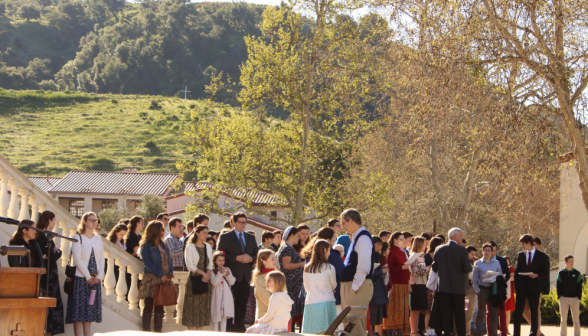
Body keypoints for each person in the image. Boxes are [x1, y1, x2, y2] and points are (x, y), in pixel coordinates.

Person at [217, 212, 259, 332]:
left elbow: (257, 254)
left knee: (242, 304)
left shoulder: (250, 237)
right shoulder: (225, 237)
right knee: (230, 304)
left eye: (245, 222)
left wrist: (251, 259)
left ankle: (239, 329)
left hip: (246, 277)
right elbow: (220, 254)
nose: (243, 225)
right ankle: (229, 329)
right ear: (233, 223)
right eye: (240, 222)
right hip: (231, 276)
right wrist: (236, 258)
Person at [65, 212, 105, 336]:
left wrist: (99, 276)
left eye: (96, 220)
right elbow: (77, 258)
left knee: (89, 308)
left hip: (95, 279)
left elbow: (102, 259)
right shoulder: (78, 237)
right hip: (81, 277)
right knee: (79, 309)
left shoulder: (98, 239)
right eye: (91, 220)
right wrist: (87, 277)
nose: (94, 222)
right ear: (84, 222)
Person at [430, 228, 472, 336]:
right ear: (455, 236)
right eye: (461, 235)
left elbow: (434, 267)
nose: (462, 237)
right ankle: (461, 334)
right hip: (458, 287)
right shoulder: (462, 250)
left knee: (446, 313)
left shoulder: (439, 249)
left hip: (443, 287)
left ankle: (447, 333)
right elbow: (467, 268)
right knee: (459, 314)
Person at [340, 209, 375, 336]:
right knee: (350, 327)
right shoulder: (358, 236)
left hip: (357, 287)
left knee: (354, 328)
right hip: (354, 287)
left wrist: (354, 287)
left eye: (343, 223)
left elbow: (364, 267)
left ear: (351, 221)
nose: (342, 227)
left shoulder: (363, 238)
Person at [137, 221, 174, 332]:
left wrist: (170, 274)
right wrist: (161, 275)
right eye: (162, 229)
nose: (164, 232)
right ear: (156, 231)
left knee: (160, 305)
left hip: (164, 279)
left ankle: (158, 331)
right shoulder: (146, 245)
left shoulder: (163, 244)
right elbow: (147, 263)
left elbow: (170, 260)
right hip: (152, 278)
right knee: (148, 305)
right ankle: (146, 331)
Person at [513, 234, 549, 336]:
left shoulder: (541, 256)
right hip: (522, 288)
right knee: (518, 312)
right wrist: (517, 286)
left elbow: (545, 272)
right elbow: (517, 272)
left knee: (534, 312)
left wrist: (536, 275)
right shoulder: (520, 255)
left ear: (529, 243)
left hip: (535, 288)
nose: (522, 246)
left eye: (523, 244)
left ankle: (534, 333)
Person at [36, 211, 65, 336]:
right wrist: (58, 252)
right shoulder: (43, 236)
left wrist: (54, 253)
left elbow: (51, 255)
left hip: (51, 273)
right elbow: (52, 255)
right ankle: (48, 332)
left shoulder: (46, 235)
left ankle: (50, 331)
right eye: (54, 220)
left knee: (53, 303)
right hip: (48, 275)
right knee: (50, 303)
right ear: (49, 221)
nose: (55, 223)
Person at [301, 239, 337, 334]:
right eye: (329, 250)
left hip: (311, 302)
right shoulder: (330, 267)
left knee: (311, 330)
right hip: (327, 301)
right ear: (324, 250)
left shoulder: (307, 267)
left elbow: (306, 287)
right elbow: (334, 284)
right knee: (328, 330)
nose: (330, 253)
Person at [183, 224, 213, 330]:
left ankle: (199, 332)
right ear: (197, 233)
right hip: (194, 279)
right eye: (204, 233)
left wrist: (207, 274)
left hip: (205, 280)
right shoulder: (190, 246)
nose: (206, 235)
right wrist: (203, 273)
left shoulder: (208, 247)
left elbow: (210, 263)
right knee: (192, 308)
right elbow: (189, 264)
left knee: (202, 309)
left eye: (207, 233)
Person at [276, 226, 305, 331]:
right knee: (291, 310)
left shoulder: (287, 247)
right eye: (297, 236)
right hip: (291, 284)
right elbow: (286, 265)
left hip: (293, 284)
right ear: (291, 235)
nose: (298, 238)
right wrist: (301, 264)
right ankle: (290, 331)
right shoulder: (287, 248)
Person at [472, 243, 503, 336]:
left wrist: (497, 278)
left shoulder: (496, 263)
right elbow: (474, 279)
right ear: (482, 252)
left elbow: (500, 275)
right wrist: (478, 290)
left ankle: (493, 334)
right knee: (480, 314)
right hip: (482, 289)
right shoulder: (477, 263)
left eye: (489, 250)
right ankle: (479, 333)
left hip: (493, 289)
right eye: (485, 250)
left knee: (493, 314)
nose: (487, 252)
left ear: (492, 252)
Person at [385, 231, 410, 335]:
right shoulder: (391, 251)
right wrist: (402, 267)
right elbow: (389, 268)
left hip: (404, 283)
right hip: (395, 284)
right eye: (401, 239)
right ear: (394, 239)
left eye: (404, 239)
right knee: (394, 308)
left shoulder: (401, 251)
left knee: (402, 308)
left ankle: (402, 331)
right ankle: (392, 330)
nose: (403, 241)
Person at [486, 241, 510, 336]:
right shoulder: (484, 260)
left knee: (502, 312)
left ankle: (503, 333)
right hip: (488, 289)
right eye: (492, 250)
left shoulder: (502, 260)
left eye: (495, 250)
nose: (493, 253)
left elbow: (507, 274)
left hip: (500, 289)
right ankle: (490, 333)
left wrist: (503, 279)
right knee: (489, 313)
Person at [557, 255, 583, 336]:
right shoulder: (561, 273)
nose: (572, 263)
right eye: (570, 261)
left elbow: (580, 287)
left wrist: (578, 298)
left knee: (576, 321)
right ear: (566, 262)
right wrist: (560, 297)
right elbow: (558, 286)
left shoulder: (577, 273)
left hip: (575, 299)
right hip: (563, 299)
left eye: (573, 261)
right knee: (563, 320)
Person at [211, 250, 236, 332]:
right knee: (216, 318)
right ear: (215, 261)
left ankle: (223, 333)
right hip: (217, 295)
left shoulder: (227, 269)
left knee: (224, 317)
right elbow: (214, 282)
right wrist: (220, 274)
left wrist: (228, 274)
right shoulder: (212, 270)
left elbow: (232, 282)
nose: (221, 262)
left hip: (226, 296)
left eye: (223, 260)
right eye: (219, 260)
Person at [424, 237, 443, 336]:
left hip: (437, 286)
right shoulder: (427, 257)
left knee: (434, 310)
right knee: (428, 310)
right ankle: (428, 331)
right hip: (428, 286)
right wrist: (429, 268)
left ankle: (434, 330)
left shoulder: (439, 256)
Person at [253, 249, 279, 321]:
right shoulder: (259, 279)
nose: (275, 261)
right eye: (272, 259)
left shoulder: (279, 275)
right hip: (265, 316)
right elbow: (266, 298)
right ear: (264, 262)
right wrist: (279, 307)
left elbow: (284, 291)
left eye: (275, 259)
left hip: (278, 315)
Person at [370, 241, 389, 336]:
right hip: (373, 287)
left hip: (379, 286)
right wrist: (381, 271)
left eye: (380, 245)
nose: (379, 247)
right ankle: (371, 332)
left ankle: (379, 332)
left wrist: (382, 268)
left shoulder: (377, 257)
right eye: (377, 244)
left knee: (379, 312)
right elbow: (369, 274)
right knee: (373, 312)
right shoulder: (370, 256)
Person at [409, 237, 428, 336]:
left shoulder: (422, 256)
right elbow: (414, 271)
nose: (426, 245)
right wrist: (427, 269)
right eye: (424, 243)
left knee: (419, 309)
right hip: (416, 283)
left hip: (422, 283)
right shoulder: (414, 256)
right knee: (415, 309)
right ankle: (414, 331)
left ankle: (415, 330)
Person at [464, 246, 478, 336]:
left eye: (474, 255)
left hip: (471, 290)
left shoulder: (472, 262)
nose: (473, 256)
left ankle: (467, 333)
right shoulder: (462, 262)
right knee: (465, 313)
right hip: (464, 290)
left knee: (469, 314)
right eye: (471, 254)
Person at [504, 256, 515, 327]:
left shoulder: (511, 268)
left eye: (507, 261)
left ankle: (506, 328)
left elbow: (512, 278)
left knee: (507, 310)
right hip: (502, 290)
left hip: (509, 291)